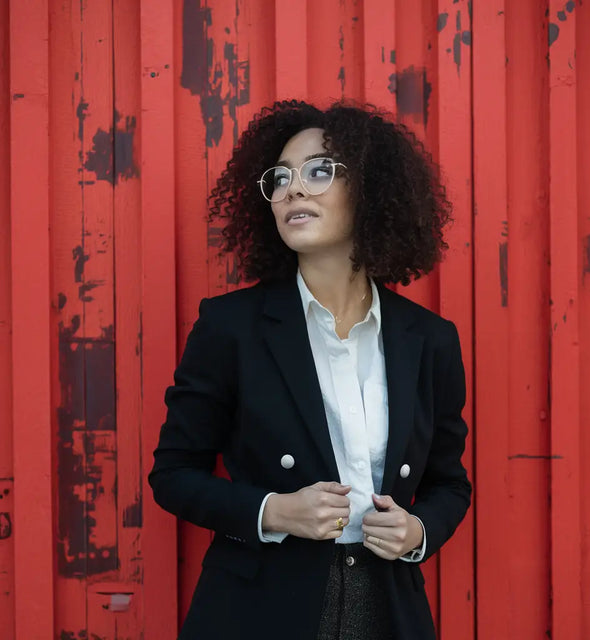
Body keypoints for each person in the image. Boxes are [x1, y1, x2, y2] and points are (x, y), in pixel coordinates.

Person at [149, 100, 471, 640]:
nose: (293, 189)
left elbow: (449, 484)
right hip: (258, 610)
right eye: (280, 178)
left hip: (388, 610)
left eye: (319, 170)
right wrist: (273, 512)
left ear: (370, 189)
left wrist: (417, 530)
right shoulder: (231, 326)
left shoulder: (429, 339)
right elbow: (173, 475)